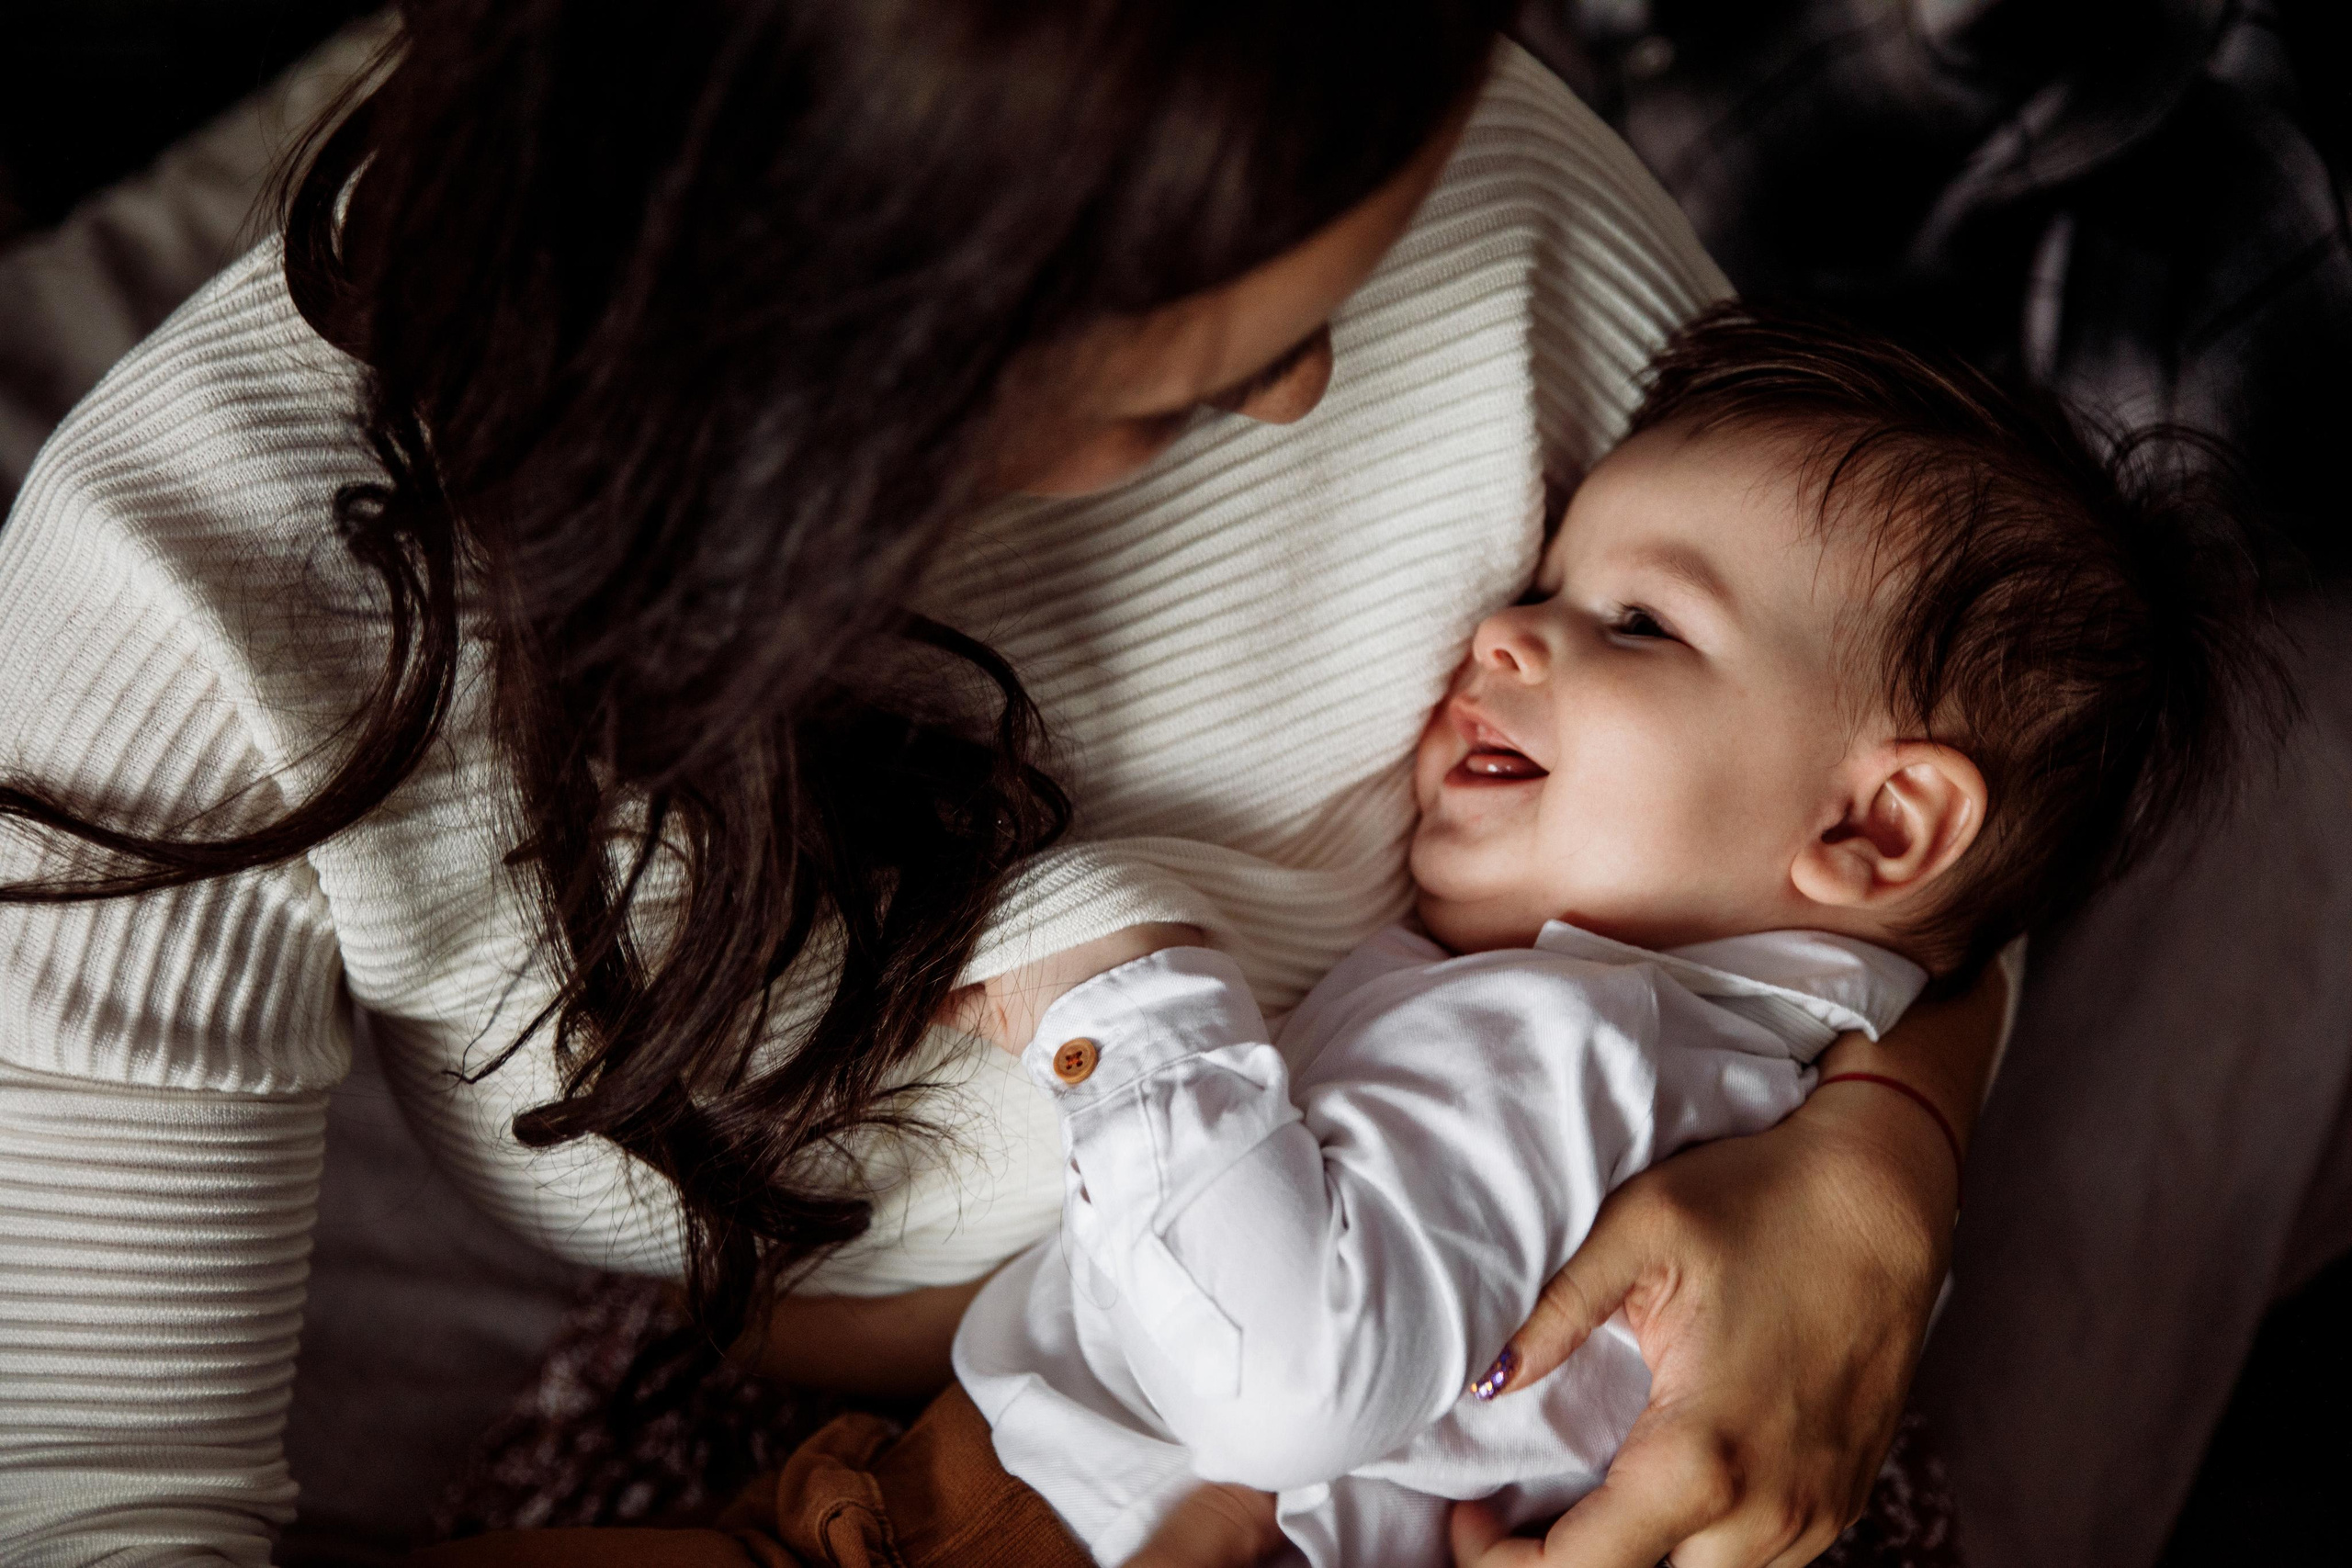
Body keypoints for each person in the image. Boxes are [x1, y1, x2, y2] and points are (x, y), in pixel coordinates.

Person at [0, 5, 2197, 1567]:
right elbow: (95, 1502)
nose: (1320, 382)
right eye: (1219, 349)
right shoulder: (188, 613)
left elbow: (1874, 821)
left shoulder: (1423, 160)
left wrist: (1880, 1165)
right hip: (952, 1392)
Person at [817, 306, 2256, 1568]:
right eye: (1544, 585)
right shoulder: (1715, 1094)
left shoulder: (1580, 1039)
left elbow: (1287, 1387)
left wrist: (1113, 989)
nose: (1501, 633)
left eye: (1639, 623)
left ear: (1878, 826)